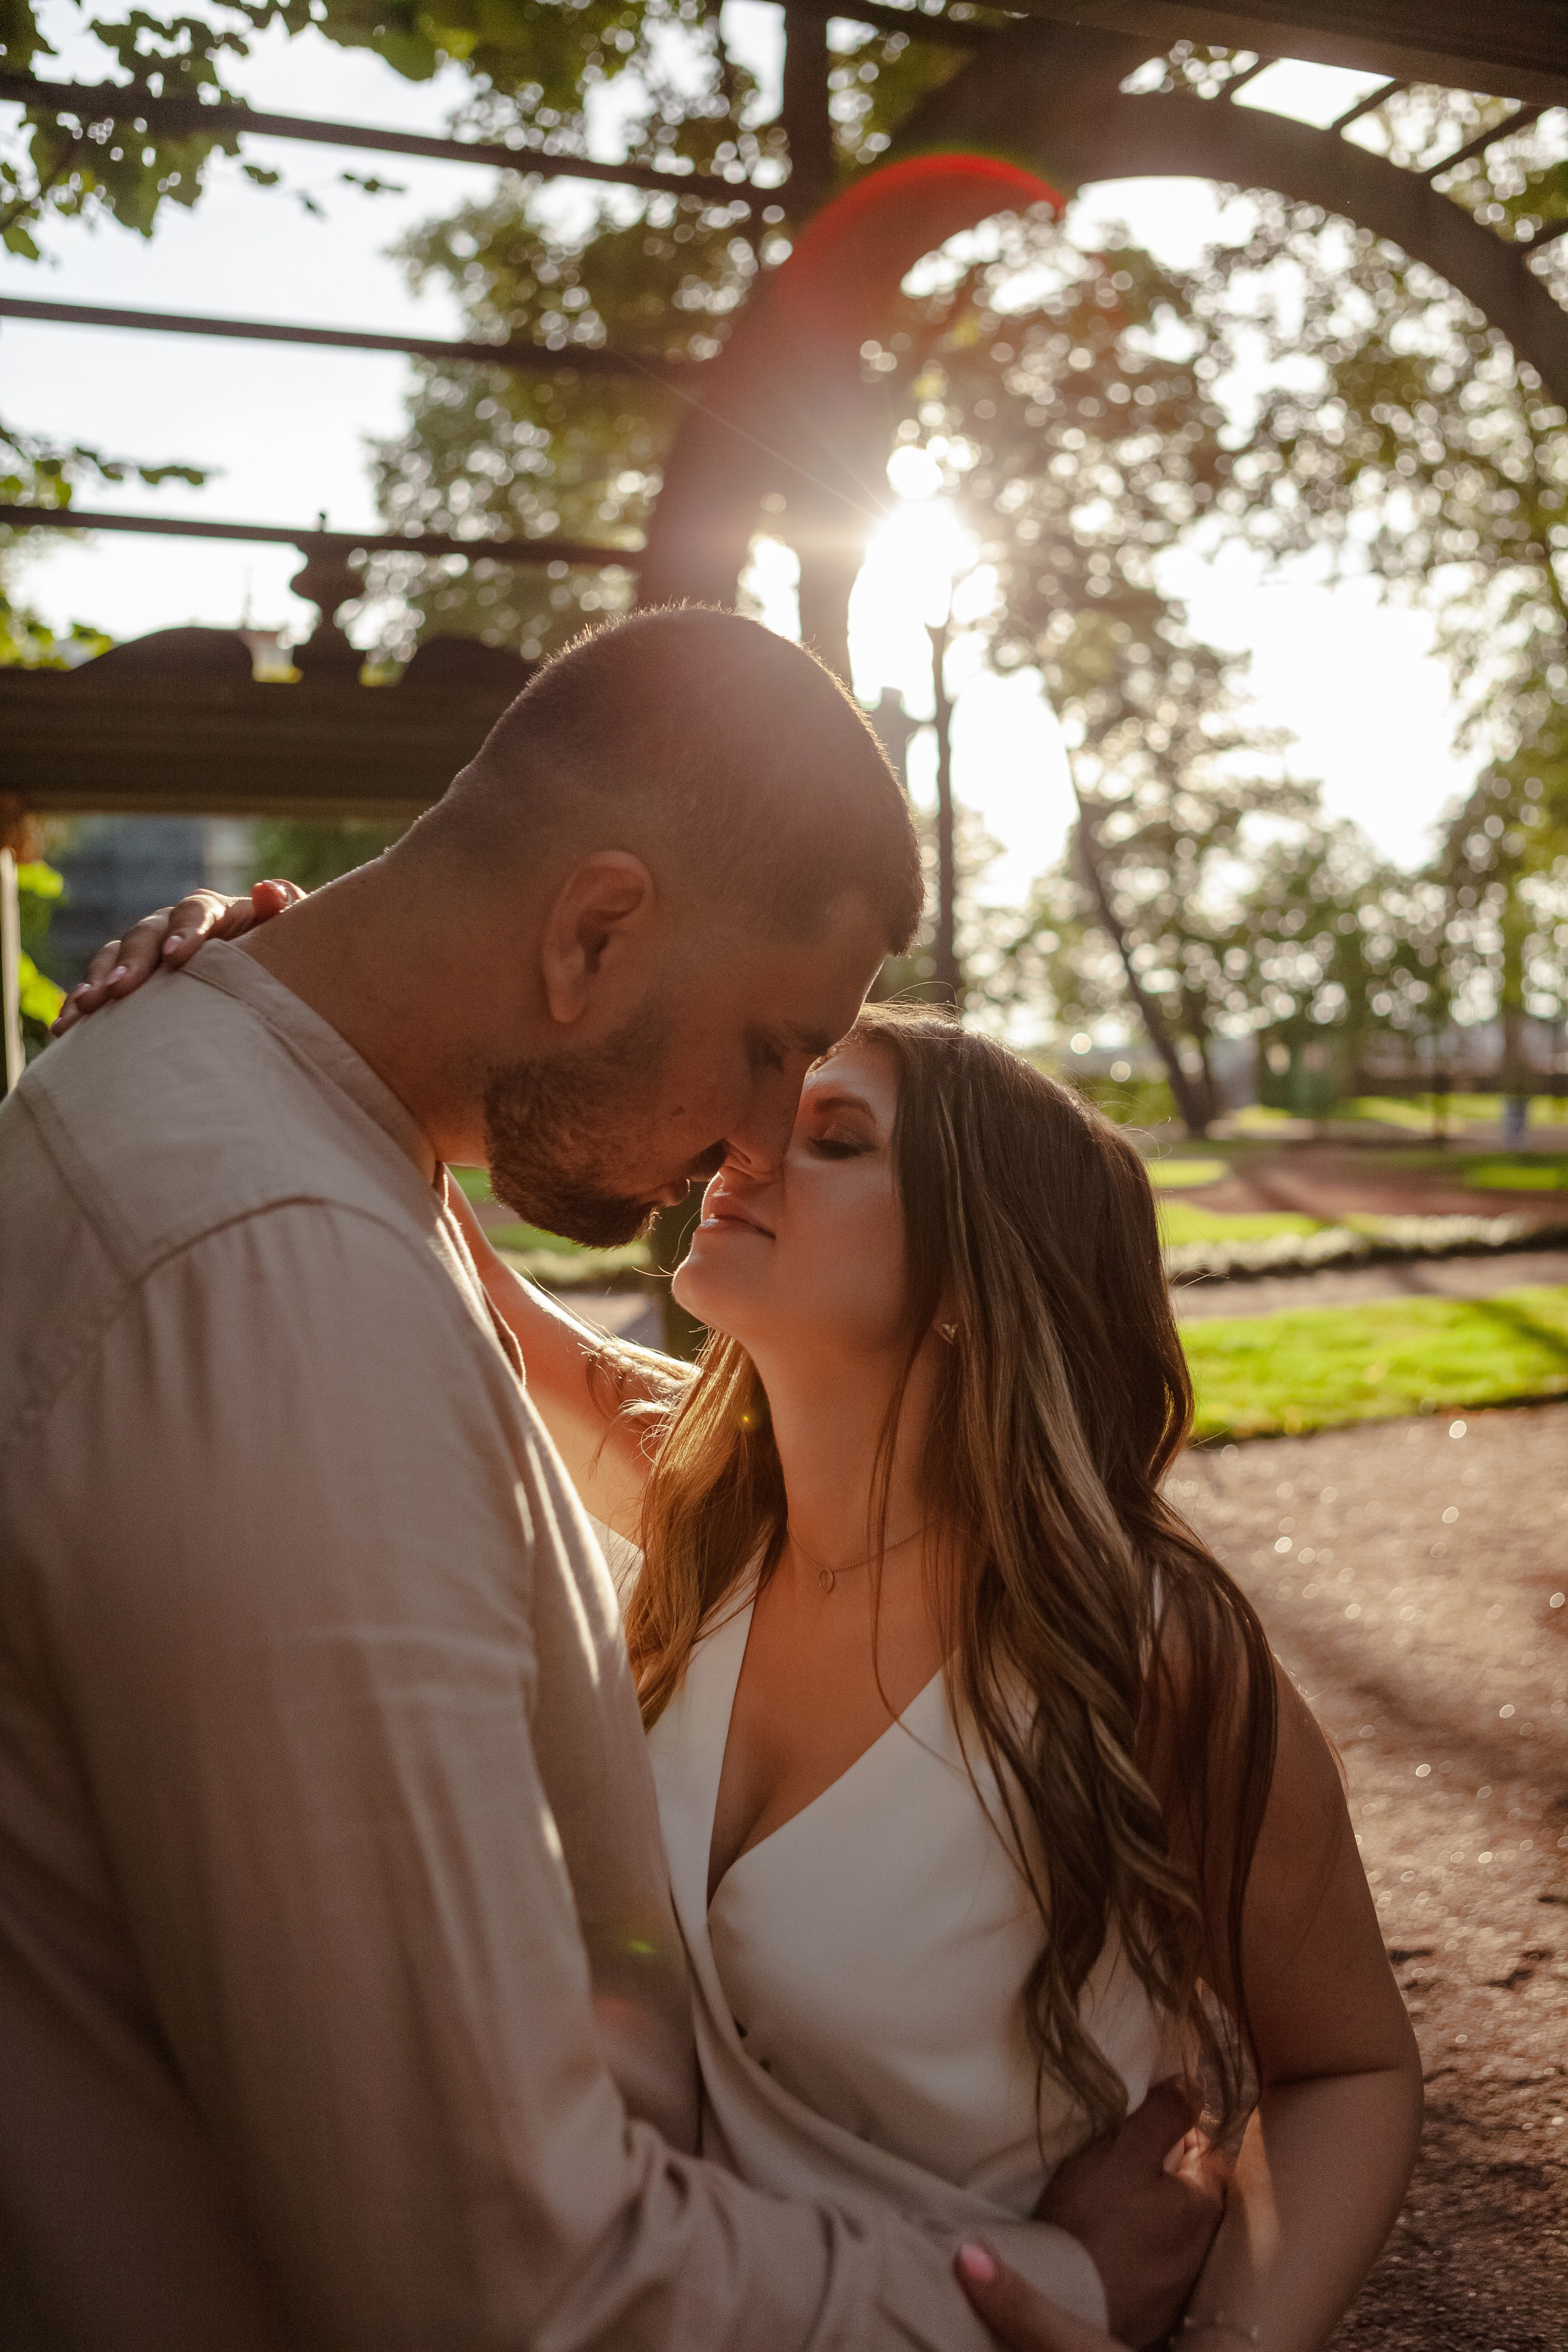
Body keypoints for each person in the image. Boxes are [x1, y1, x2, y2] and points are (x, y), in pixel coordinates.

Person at [1, 608, 1219, 2352]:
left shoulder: (250, 1116)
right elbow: (498, 2272)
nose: (758, 1138)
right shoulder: (290, 1282)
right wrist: (1039, 2298)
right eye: (770, 1046)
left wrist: (251, 961)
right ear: (591, 933)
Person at [67, 886, 1424, 2349]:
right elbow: (428, 1218)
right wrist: (269, 967)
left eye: (834, 1138)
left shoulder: (1140, 1649)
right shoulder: (706, 1521)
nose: (749, 1145)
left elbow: (1346, 2067)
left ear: (973, 1274)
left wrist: (1225, 2346)